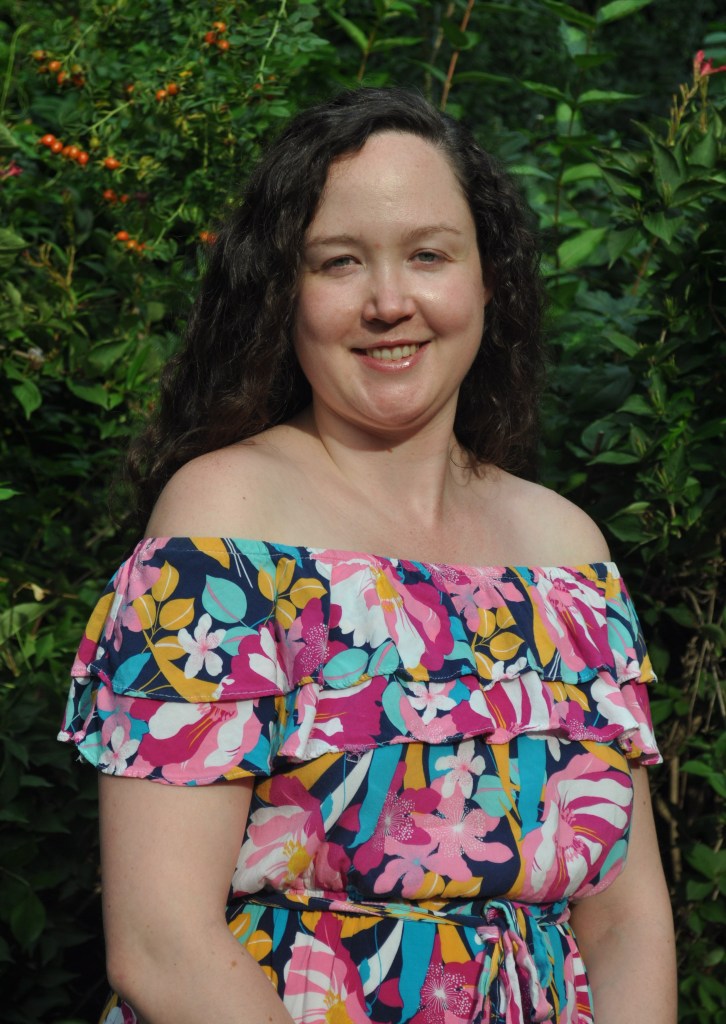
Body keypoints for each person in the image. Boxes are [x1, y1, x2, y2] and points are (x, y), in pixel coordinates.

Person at [59, 87, 677, 1024]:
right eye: (339, 263)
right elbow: (161, 944)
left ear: (487, 279)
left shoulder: (567, 554)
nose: (391, 303)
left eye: (429, 255)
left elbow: (626, 921)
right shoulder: (225, 525)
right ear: (283, 290)